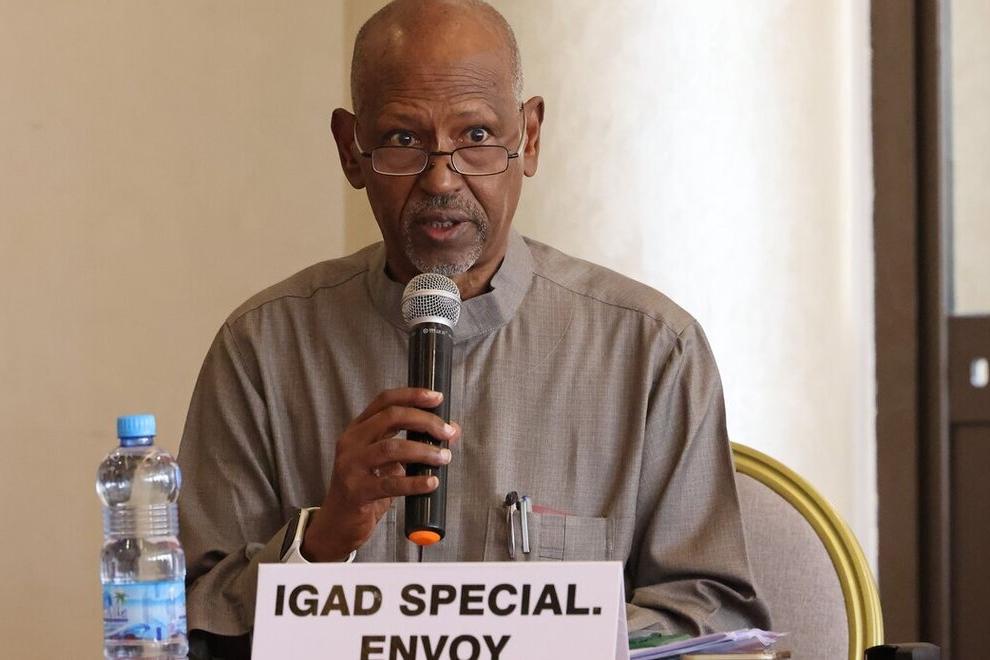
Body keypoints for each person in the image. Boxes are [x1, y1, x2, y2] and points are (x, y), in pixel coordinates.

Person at [177, 0, 770, 655]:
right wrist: (320, 545)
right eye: (403, 139)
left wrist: (545, 637)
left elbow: (711, 619)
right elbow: (191, 622)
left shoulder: (651, 350)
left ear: (530, 138)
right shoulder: (262, 349)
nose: (441, 178)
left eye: (477, 135)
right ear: (351, 150)